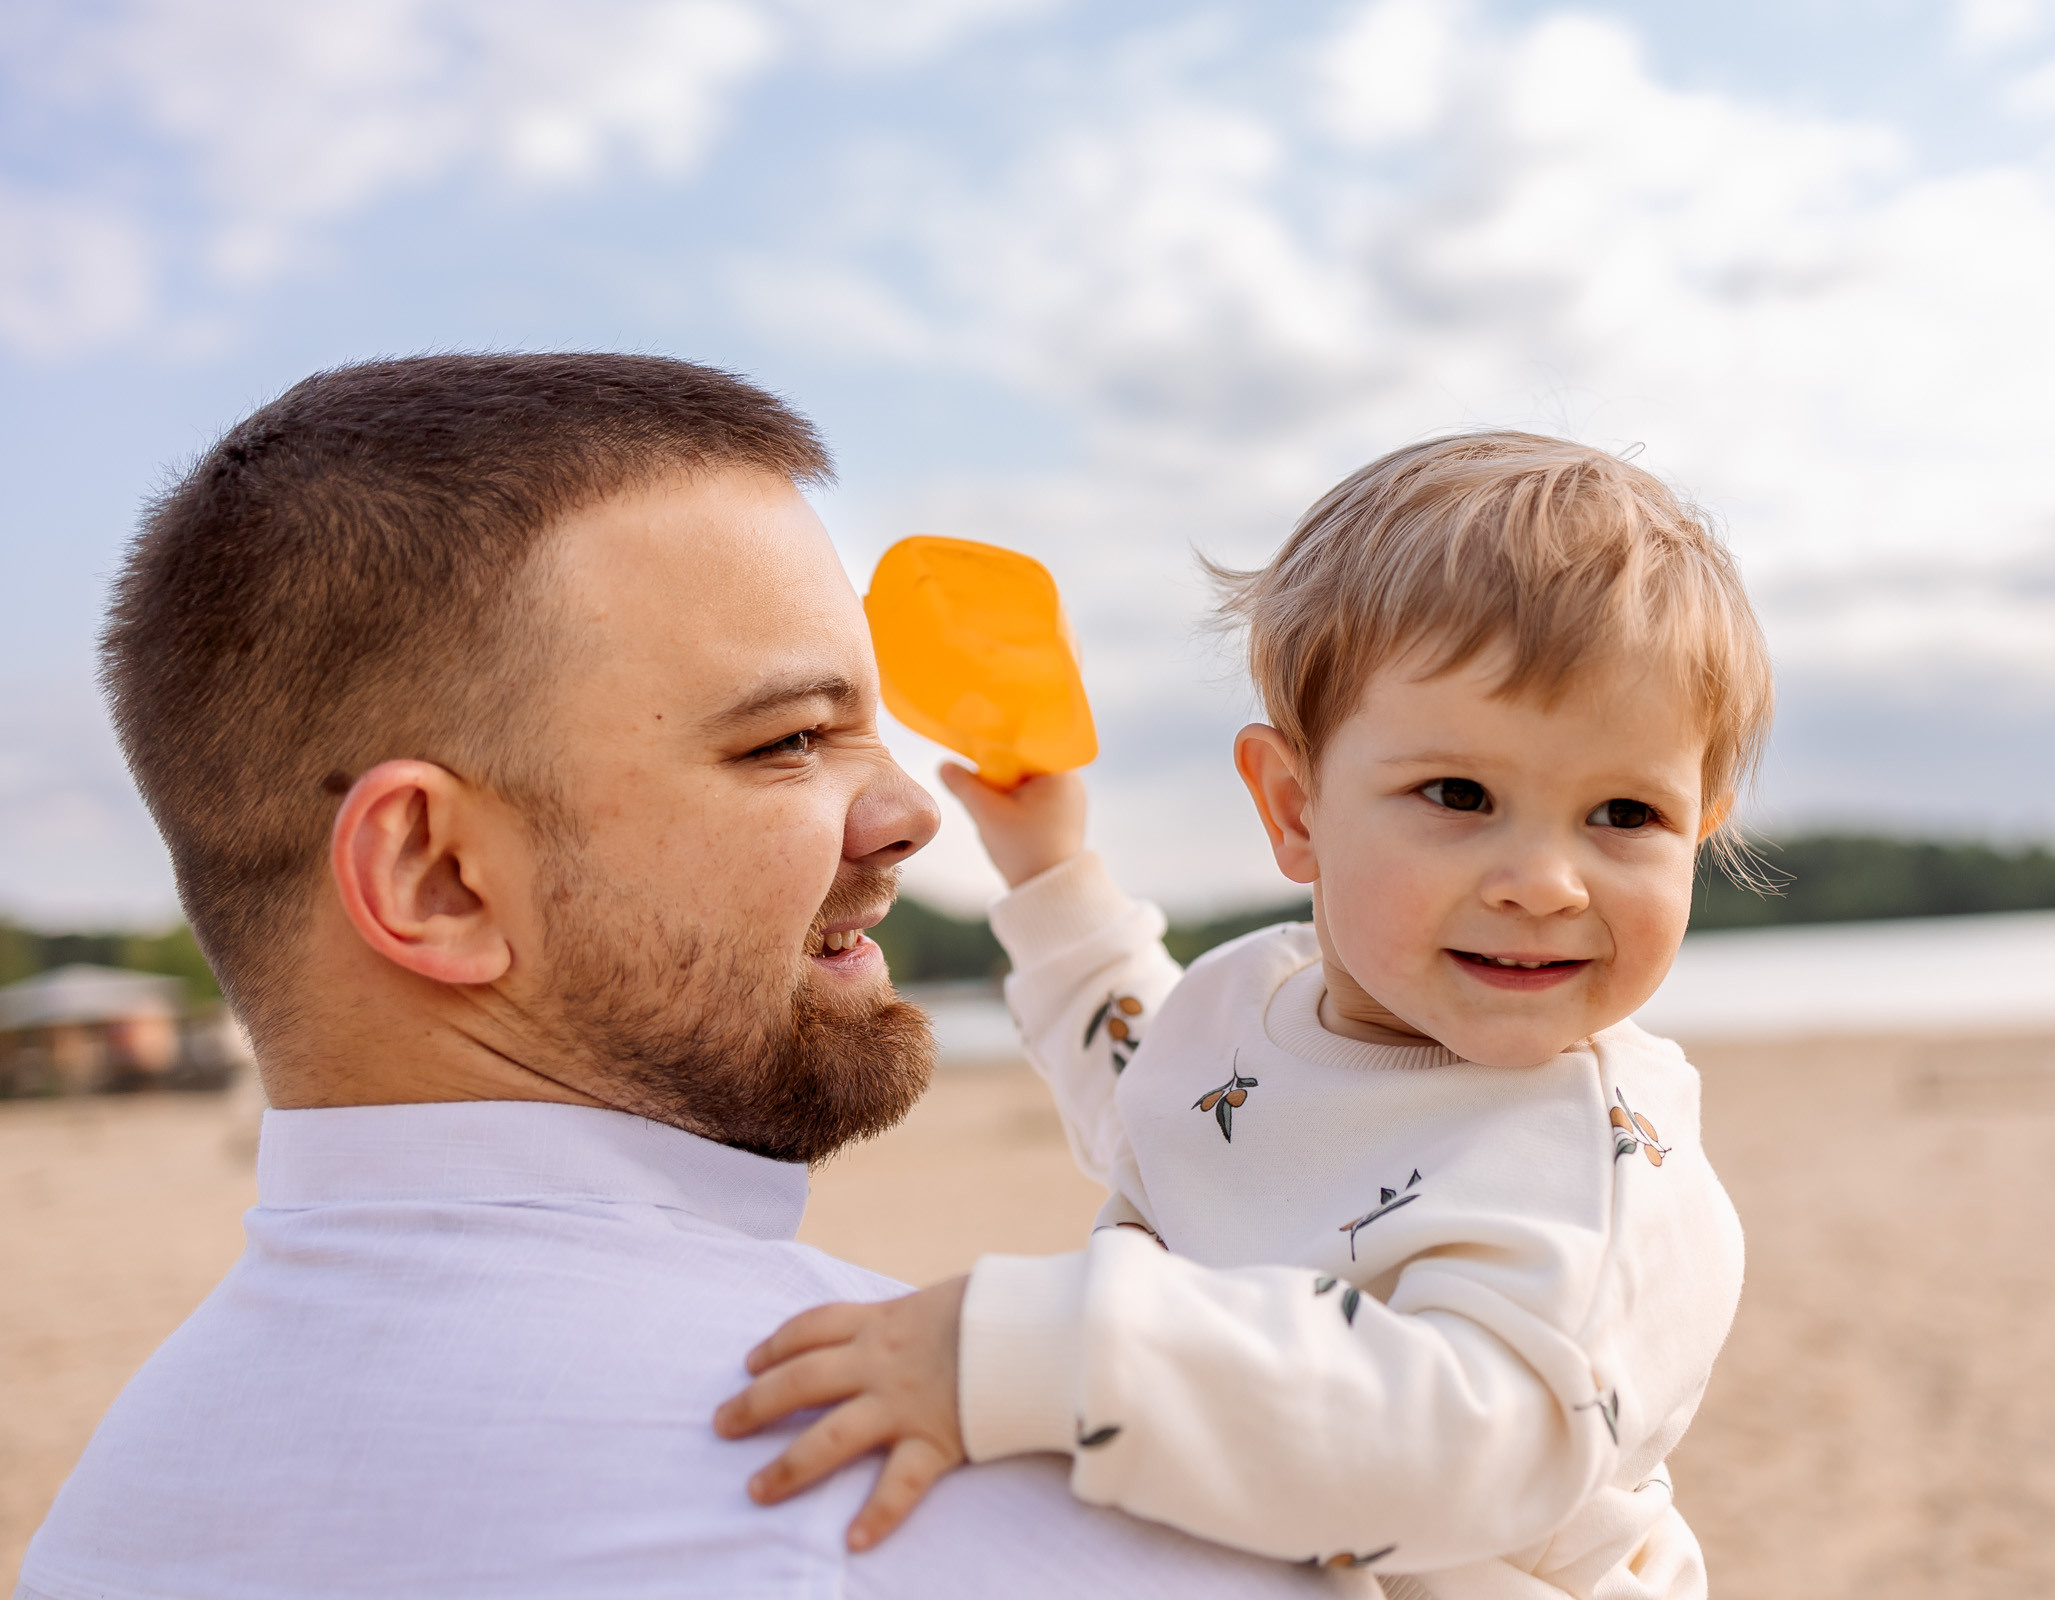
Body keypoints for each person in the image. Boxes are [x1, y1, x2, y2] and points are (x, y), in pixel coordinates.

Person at [16, 353, 1369, 1600]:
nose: (909, 810)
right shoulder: (945, 1482)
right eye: (788, 740)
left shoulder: (114, 1508)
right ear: (436, 876)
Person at [718, 434, 1772, 1598]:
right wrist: (1050, 870)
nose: (1546, 880)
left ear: (1701, 831)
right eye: (1460, 795)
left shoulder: (1596, 1163)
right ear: (1295, 807)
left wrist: (1040, 1350)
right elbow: (1152, 1089)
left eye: (1625, 813)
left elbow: (1460, 1444)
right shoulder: (1256, 1001)